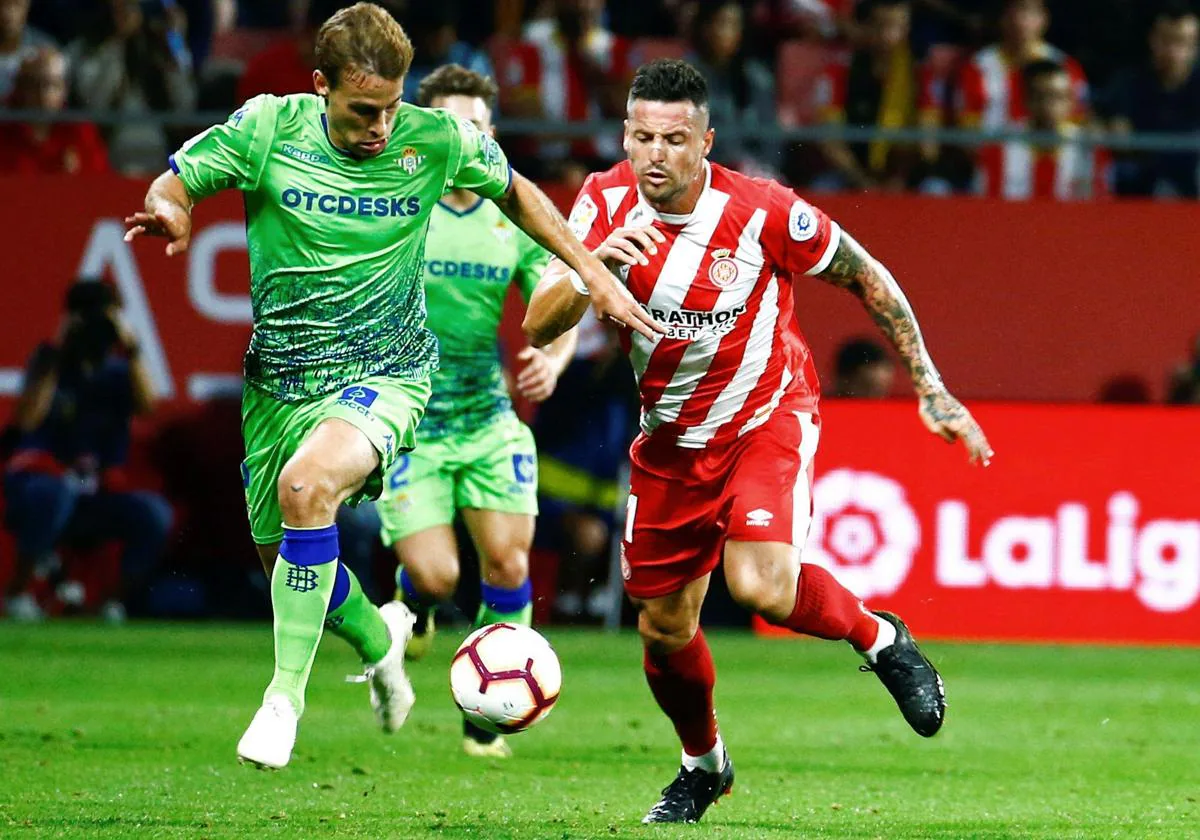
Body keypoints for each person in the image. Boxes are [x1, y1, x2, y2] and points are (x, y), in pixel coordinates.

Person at [123, 1, 650, 771]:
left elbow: (521, 194)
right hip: (280, 382)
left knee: (310, 491)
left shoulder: (432, 139)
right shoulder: (268, 127)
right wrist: (171, 213)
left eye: (391, 106)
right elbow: (178, 181)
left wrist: (591, 272)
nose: (380, 126)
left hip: (390, 373)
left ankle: (283, 700)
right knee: (289, 562)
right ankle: (380, 644)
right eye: (363, 109)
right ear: (320, 87)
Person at [523, 58, 993, 824]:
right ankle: (703, 765)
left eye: (674, 139)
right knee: (664, 627)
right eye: (642, 137)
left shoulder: (763, 212)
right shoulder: (602, 204)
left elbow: (867, 275)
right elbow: (542, 321)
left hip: (763, 420)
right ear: (625, 137)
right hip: (669, 441)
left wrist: (930, 386)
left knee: (763, 586)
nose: (655, 155)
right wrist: (591, 270)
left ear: (705, 142)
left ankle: (880, 638)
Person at [375, 64, 577, 759]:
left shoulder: (515, 212)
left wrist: (553, 357)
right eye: (454, 124)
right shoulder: (397, 203)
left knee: (508, 563)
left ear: (492, 135)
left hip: (488, 417)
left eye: (480, 126)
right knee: (437, 575)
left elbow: (562, 293)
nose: (468, 137)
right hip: (411, 422)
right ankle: (419, 605)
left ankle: (485, 719)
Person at [3, 280, 171, 622]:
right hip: (36, 491)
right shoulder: (49, 362)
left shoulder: (119, 372)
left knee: (153, 513)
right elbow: (27, 419)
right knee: (54, 494)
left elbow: (148, 406)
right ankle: (17, 595)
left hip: (93, 496)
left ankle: (109, 604)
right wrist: (58, 349)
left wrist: (133, 347)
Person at [65, 0, 197, 174]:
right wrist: (117, 42)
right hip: (109, 156)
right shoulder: (88, 47)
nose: (128, 11)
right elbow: (94, 103)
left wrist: (174, 42)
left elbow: (185, 106)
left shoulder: (159, 45)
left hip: (159, 156)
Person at [814, 0, 928, 191]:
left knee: (935, 189)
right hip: (851, 174)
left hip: (903, 176)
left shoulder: (918, 74)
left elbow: (925, 138)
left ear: (907, 29)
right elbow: (829, 138)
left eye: (896, 27)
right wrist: (862, 182)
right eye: (881, 26)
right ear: (867, 27)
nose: (887, 36)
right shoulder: (839, 71)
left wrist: (899, 177)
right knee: (822, 187)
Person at [975, 59, 1109, 200]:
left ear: (1071, 101)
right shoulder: (999, 147)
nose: (1048, 105)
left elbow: (1100, 205)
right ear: (1026, 100)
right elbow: (984, 204)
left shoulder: (1088, 148)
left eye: (1058, 97)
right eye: (1040, 96)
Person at [1106, 1, 1200, 199]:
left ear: (1195, 47)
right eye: (1166, 40)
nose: (1174, 52)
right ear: (1152, 39)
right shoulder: (1128, 83)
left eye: (1183, 42)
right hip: (1137, 194)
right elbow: (1118, 139)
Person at [685, 1, 779, 176]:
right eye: (721, 23)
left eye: (734, 25)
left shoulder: (758, 79)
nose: (727, 33)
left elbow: (771, 143)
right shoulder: (684, 78)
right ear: (705, 28)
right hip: (699, 175)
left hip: (749, 176)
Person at [0, 47, 110, 174]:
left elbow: (102, 185)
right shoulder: (3, 126)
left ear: (64, 89)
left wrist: (77, 177)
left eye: (51, 85)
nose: (42, 95)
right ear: (19, 88)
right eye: (33, 85)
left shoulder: (80, 130)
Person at [0, 0, 55, 101]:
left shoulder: (46, 49)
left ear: (27, 5)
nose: (6, 12)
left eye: (15, 4)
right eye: (1, 5)